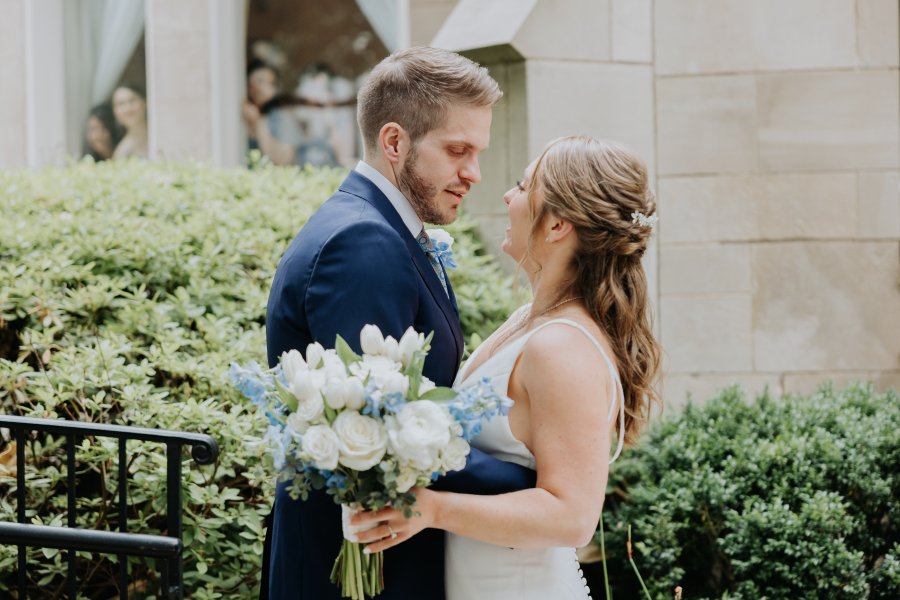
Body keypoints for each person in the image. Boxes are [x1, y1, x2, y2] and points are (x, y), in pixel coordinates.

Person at [262, 47, 536, 600]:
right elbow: (387, 431)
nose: (474, 174)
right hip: (358, 569)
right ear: (394, 142)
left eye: (477, 153)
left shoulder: (376, 225)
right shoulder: (363, 242)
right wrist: (530, 483)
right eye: (457, 150)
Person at [350, 135, 662, 599]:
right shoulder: (530, 320)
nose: (507, 196)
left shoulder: (561, 347)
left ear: (557, 225)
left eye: (522, 185)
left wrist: (433, 510)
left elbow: (573, 517)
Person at [242, 60, 345, 168]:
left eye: (269, 83)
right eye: (258, 81)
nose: (257, 87)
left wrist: (258, 124)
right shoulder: (252, 112)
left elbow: (283, 159)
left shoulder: (280, 114)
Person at [111, 83, 148, 159]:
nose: (127, 108)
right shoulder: (121, 153)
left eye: (132, 101)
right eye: (121, 104)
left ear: (145, 102)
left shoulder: (163, 134)